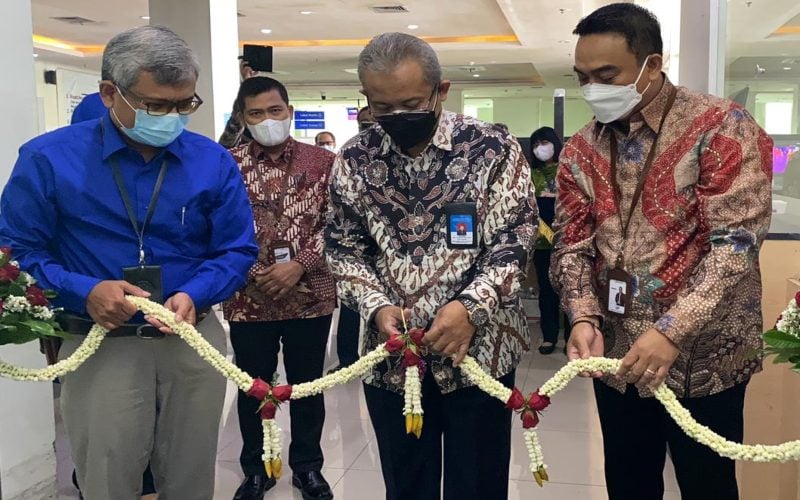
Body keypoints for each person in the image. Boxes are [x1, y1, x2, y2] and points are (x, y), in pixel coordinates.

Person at [0, 26, 258, 500]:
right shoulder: (49, 160)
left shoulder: (212, 161)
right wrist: (84, 289)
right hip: (100, 343)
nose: (173, 117)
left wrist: (194, 294)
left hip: (190, 336)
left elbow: (237, 250)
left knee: (190, 475)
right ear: (108, 94)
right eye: (156, 106)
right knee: (107, 473)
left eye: (184, 104)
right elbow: (14, 253)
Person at [550, 4, 773, 500]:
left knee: (707, 484)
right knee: (629, 481)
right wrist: (584, 317)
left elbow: (735, 246)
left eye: (607, 75)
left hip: (703, 357)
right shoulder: (581, 147)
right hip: (615, 353)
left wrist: (671, 330)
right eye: (583, 77)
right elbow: (572, 243)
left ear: (653, 65)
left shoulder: (720, 126)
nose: (593, 90)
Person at [326, 32, 537, 500]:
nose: (397, 119)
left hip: (481, 353)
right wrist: (377, 307)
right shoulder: (355, 159)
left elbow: (514, 239)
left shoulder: (491, 150)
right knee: (407, 486)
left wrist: (469, 309)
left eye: (411, 103)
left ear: (441, 91)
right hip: (392, 361)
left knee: (478, 485)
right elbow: (343, 248)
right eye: (383, 108)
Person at [223, 76, 335, 500]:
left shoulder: (324, 162)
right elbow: (219, 228)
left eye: (274, 111)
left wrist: (299, 266)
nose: (267, 120)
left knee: (308, 386)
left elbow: (339, 225)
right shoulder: (227, 165)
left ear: (289, 110)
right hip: (249, 299)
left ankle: (307, 467)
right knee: (253, 386)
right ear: (243, 118)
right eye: (256, 113)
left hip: (311, 297)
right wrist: (254, 271)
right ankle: (257, 468)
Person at [529, 126, 565, 355]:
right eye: (535, 145)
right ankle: (549, 336)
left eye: (544, 142)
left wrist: (560, 235)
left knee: (571, 289)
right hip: (542, 241)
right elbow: (529, 208)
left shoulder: (566, 169)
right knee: (547, 290)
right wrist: (547, 233)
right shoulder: (531, 174)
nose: (540, 148)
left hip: (568, 238)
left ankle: (572, 337)